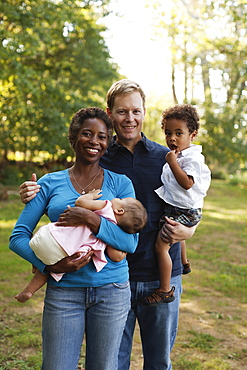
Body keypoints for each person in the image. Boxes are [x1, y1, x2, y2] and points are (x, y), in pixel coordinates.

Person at [19, 80, 198, 370]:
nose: (130, 119)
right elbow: (66, 188)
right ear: (109, 113)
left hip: (161, 274)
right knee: (113, 362)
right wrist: (32, 191)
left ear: (144, 113)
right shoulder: (100, 155)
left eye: (136, 111)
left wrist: (189, 229)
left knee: (159, 361)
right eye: (122, 112)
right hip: (115, 276)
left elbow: (190, 200)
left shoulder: (165, 158)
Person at [10, 106, 141, 370]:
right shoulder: (50, 183)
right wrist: (50, 266)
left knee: (104, 366)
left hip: (112, 291)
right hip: (64, 292)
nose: (94, 141)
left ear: (108, 143)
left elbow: (130, 243)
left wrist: (90, 218)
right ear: (73, 138)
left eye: (102, 136)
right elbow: (18, 236)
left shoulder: (121, 184)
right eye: (87, 134)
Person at [15, 189, 147, 303]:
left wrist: (91, 195)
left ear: (119, 210)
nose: (117, 198)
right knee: (50, 269)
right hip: (72, 253)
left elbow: (80, 202)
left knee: (43, 241)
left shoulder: (106, 207)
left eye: (121, 199)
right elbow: (116, 256)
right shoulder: (113, 230)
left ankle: (36, 263)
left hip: (53, 237)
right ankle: (29, 290)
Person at [142, 104, 211, 306]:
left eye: (178, 133)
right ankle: (184, 262)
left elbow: (187, 183)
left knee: (161, 245)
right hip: (179, 207)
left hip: (186, 211)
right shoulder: (181, 154)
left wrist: (172, 162)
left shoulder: (192, 159)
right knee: (174, 230)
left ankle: (165, 289)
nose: (172, 138)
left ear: (193, 134)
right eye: (168, 133)